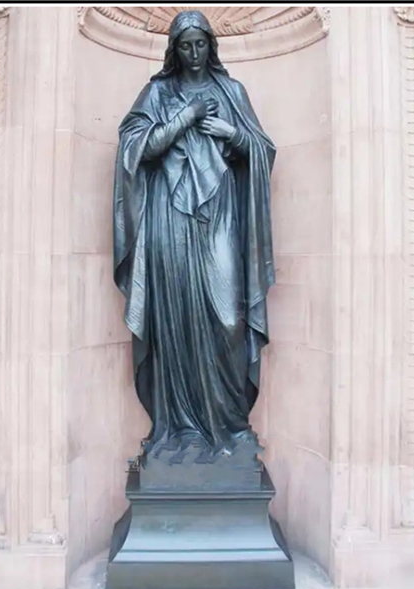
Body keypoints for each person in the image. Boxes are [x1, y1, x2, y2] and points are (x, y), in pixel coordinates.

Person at [113, 10, 276, 458]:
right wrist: (185, 117)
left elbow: (263, 151)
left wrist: (233, 133)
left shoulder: (231, 92)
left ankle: (231, 427)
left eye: (200, 43)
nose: (194, 53)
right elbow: (135, 149)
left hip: (221, 216)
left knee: (228, 319)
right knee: (176, 322)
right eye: (185, 46)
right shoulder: (158, 93)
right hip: (169, 222)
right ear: (174, 50)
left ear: (211, 45)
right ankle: (179, 427)